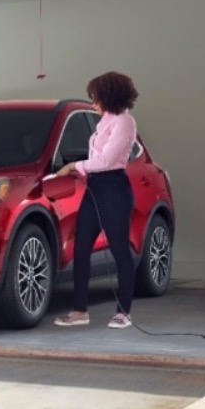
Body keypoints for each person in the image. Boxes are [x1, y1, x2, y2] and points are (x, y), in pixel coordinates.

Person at [53, 71, 139, 329]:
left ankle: (123, 312)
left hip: (113, 188)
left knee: (119, 249)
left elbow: (105, 161)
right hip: (95, 188)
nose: (93, 103)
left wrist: (72, 167)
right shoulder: (104, 121)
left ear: (108, 96)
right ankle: (80, 310)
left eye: (95, 98)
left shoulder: (124, 122)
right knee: (81, 249)